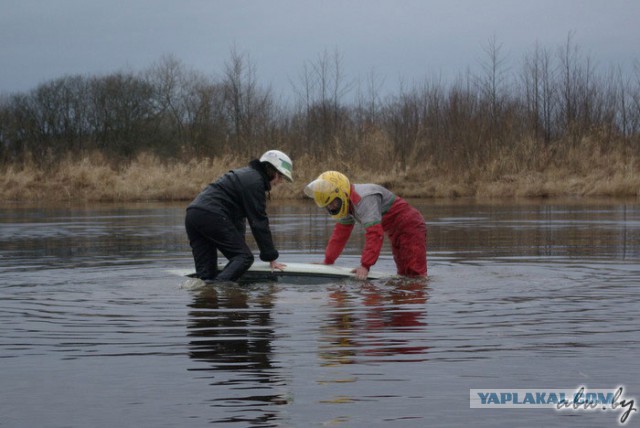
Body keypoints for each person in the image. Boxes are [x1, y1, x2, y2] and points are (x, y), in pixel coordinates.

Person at [185, 150, 293, 283]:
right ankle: (215, 288)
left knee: (206, 274)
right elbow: (258, 222)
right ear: (273, 172)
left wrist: (240, 244)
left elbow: (238, 219)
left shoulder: (246, 176)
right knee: (244, 257)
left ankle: (207, 294)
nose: (281, 182)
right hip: (211, 214)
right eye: (281, 177)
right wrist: (270, 256)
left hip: (193, 215)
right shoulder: (255, 183)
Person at [304, 171, 427, 280]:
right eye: (328, 206)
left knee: (415, 274)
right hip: (394, 230)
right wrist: (328, 261)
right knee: (404, 275)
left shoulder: (364, 198)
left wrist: (365, 265)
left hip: (410, 225)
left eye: (333, 203)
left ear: (341, 193)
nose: (332, 207)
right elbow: (340, 234)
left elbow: (375, 233)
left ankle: (419, 300)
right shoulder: (346, 203)